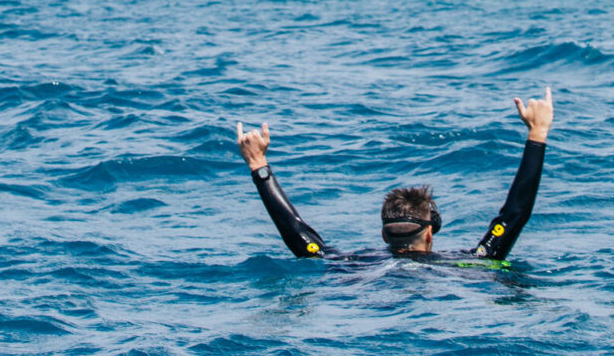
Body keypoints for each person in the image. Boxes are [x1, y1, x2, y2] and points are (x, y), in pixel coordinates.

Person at [234, 88, 554, 260]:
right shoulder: (470, 265)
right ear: (430, 234)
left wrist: (258, 165)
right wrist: (537, 133)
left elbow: (301, 239)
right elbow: (515, 216)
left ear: (384, 235)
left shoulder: (351, 266)